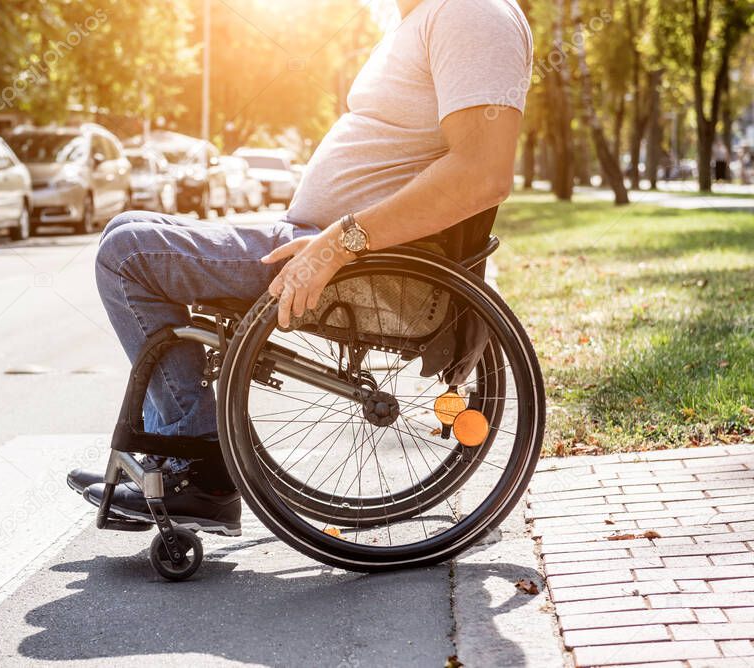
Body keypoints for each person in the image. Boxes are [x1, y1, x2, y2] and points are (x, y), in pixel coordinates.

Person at [68, 0, 534, 536]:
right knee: (124, 229)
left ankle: (196, 467)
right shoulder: (430, 16)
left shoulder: (471, 13)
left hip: (358, 262)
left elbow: (482, 172)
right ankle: (187, 460)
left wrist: (338, 244)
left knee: (128, 255)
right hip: (332, 244)